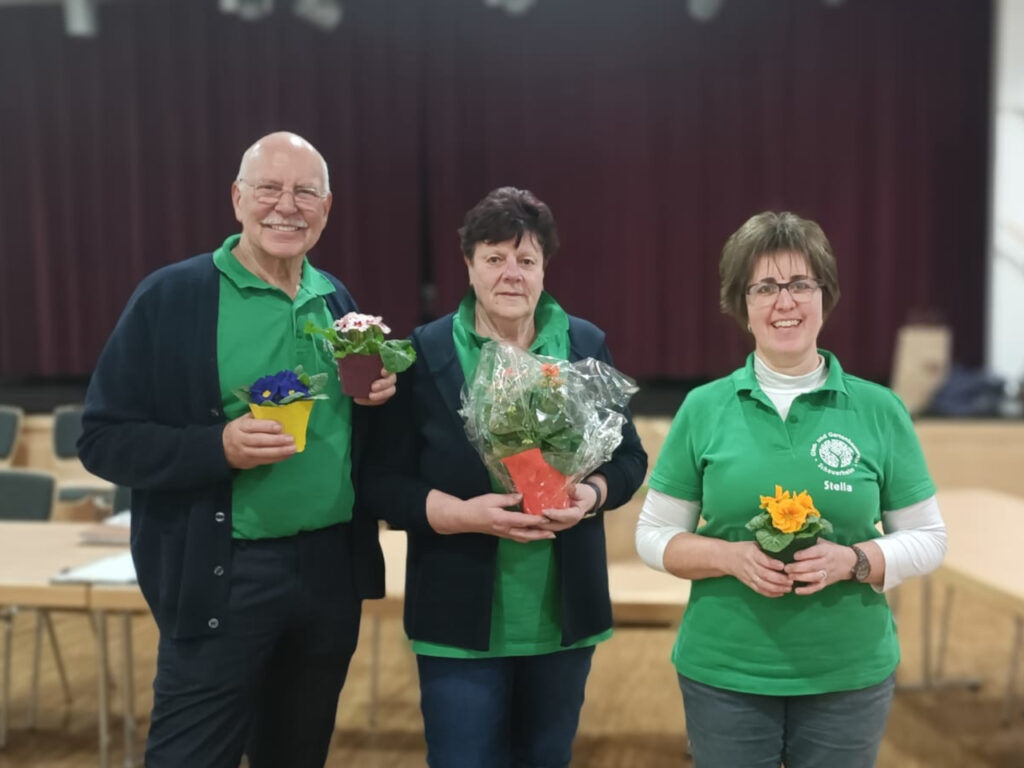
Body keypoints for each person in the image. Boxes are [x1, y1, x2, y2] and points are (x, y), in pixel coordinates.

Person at [78, 132, 394, 768]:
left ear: (326, 207)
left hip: (329, 574)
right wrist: (216, 445)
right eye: (269, 189)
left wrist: (376, 400)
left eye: (305, 191)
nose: (287, 205)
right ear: (237, 199)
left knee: (296, 756)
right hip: (224, 576)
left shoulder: (335, 300)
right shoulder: (173, 298)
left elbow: (350, 439)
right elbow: (102, 440)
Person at [635, 211, 947, 768]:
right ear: (742, 304)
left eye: (801, 284)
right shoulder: (703, 408)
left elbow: (928, 538)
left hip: (848, 674)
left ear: (823, 296)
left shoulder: (880, 409)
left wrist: (853, 560)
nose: (786, 302)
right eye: (766, 287)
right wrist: (729, 557)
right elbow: (654, 535)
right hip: (725, 672)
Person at [363, 186, 647, 768]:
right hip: (456, 617)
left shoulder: (582, 344)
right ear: (468, 266)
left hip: (563, 619)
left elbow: (628, 459)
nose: (510, 274)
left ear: (545, 268)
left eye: (526, 259)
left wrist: (590, 496)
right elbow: (382, 482)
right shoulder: (428, 351)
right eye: (494, 258)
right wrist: (464, 514)